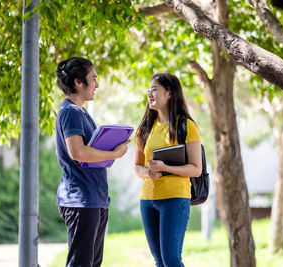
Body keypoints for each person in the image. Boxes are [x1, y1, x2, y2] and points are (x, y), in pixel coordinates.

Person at [55, 57, 130, 267]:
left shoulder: (81, 113)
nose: (97, 85)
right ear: (78, 82)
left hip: (94, 198)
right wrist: (114, 154)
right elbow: (77, 152)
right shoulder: (70, 112)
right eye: (93, 79)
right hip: (81, 199)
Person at [134, 73, 202, 267]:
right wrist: (147, 172)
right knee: (159, 261)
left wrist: (165, 167)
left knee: (171, 260)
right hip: (147, 200)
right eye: (148, 91)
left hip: (175, 199)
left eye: (154, 90)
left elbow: (196, 169)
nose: (150, 95)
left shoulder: (186, 126)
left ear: (169, 94)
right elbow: (136, 167)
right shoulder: (145, 127)